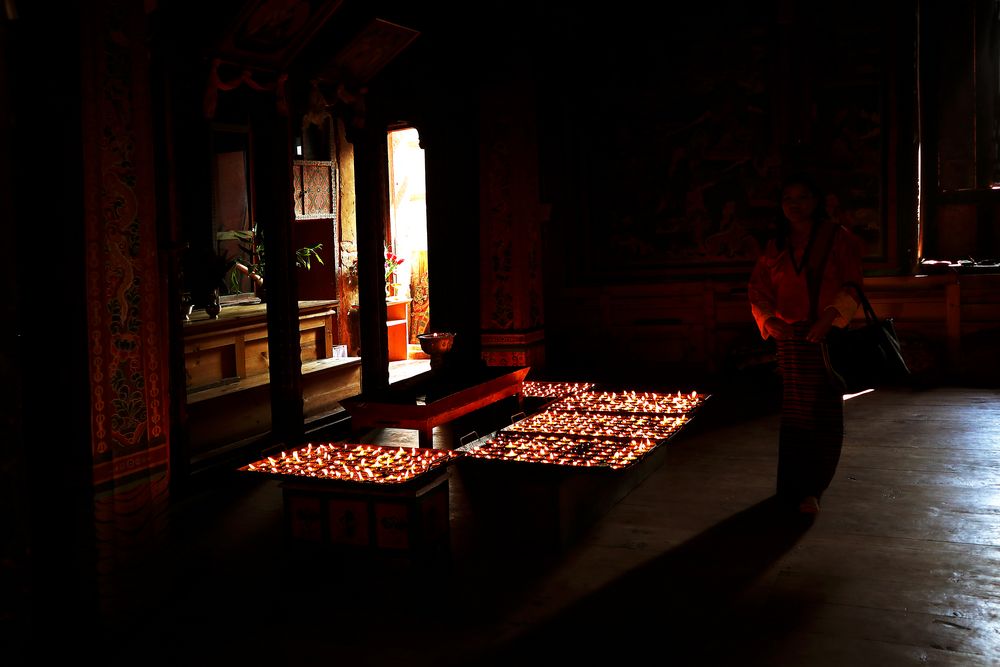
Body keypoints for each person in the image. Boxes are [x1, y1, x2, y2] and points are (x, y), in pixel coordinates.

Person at [748, 173, 864, 516]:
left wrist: (827, 320)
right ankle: (791, 486)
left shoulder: (837, 238)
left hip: (827, 333)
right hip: (792, 336)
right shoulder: (776, 243)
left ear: (816, 202)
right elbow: (759, 288)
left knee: (823, 412)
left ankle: (813, 489)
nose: (794, 205)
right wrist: (770, 321)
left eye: (802, 197)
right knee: (796, 412)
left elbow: (852, 285)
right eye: (788, 199)